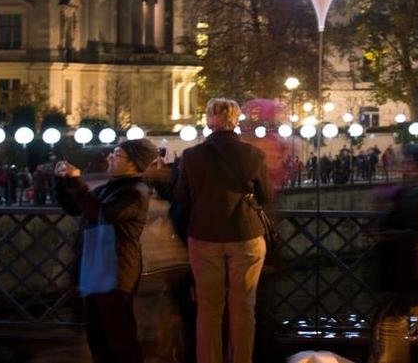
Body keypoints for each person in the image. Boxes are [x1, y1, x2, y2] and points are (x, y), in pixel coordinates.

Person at [174, 98, 272, 363]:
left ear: (209, 120)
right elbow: (265, 196)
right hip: (245, 235)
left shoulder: (192, 156)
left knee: (208, 309)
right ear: (236, 120)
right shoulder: (254, 155)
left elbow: (182, 198)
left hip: (205, 235)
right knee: (243, 308)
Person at [55, 138, 156, 363]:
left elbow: (103, 214)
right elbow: (75, 207)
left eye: (118, 155)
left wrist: (77, 182)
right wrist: (62, 182)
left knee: (120, 338)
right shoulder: (109, 188)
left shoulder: (136, 192)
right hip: (97, 270)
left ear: (134, 163)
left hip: (117, 273)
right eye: (113, 153)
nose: (111, 157)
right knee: (98, 337)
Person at [369, 143, 418, 363]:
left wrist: (389, 232)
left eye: (408, 161)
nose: (404, 165)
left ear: (417, 164)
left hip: (411, 267)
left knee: (396, 320)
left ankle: (394, 359)